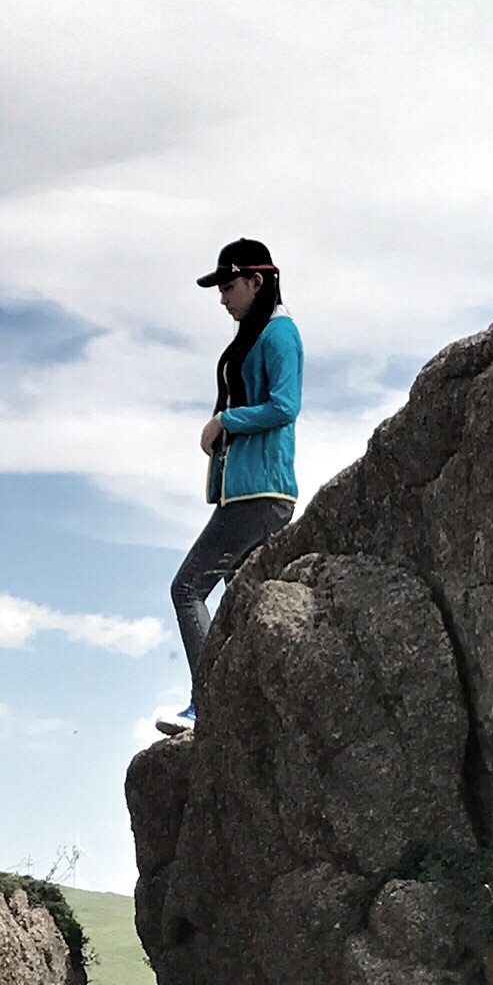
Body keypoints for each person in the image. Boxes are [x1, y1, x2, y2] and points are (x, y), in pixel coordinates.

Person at [157, 236, 300, 732]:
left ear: (257, 282)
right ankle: (245, 706)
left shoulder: (280, 335)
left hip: (259, 495)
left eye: (229, 285)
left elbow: (286, 405)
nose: (222, 297)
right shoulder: (257, 334)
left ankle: (208, 705)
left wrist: (225, 422)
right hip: (249, 492)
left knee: (187, 587)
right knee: (240, 599)